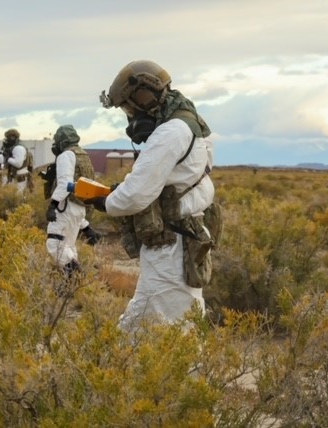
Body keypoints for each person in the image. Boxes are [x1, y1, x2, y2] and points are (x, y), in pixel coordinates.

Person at [88, 60, 215, 332]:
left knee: (167, 327)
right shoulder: (190, 125)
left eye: (127, 106)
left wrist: (105, 201)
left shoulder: (170, 132)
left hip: (171, 245)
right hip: (181, 239)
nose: (129, 114)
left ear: (143, 97)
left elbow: (135, 195)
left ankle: (183, 374)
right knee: (161, 321)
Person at [45, 124, 96, 282]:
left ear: (61, 141)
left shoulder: (66, 155)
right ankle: (70, 286)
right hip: (79, 208)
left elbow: (65, 184)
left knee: (55, 244)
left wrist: (53, 204)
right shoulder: (83, 156)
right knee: (69, 246)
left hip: (65, 206)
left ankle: (76, 275)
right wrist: (85, 225)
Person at [0, 128, 33, 194]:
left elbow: (18, 163)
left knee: (18, 198)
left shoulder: (19, 148)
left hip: (20, 179)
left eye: (8, 137)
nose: (6, 139)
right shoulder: (13, 147)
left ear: (13, 137)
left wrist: (7, 158)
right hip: (13, 177)